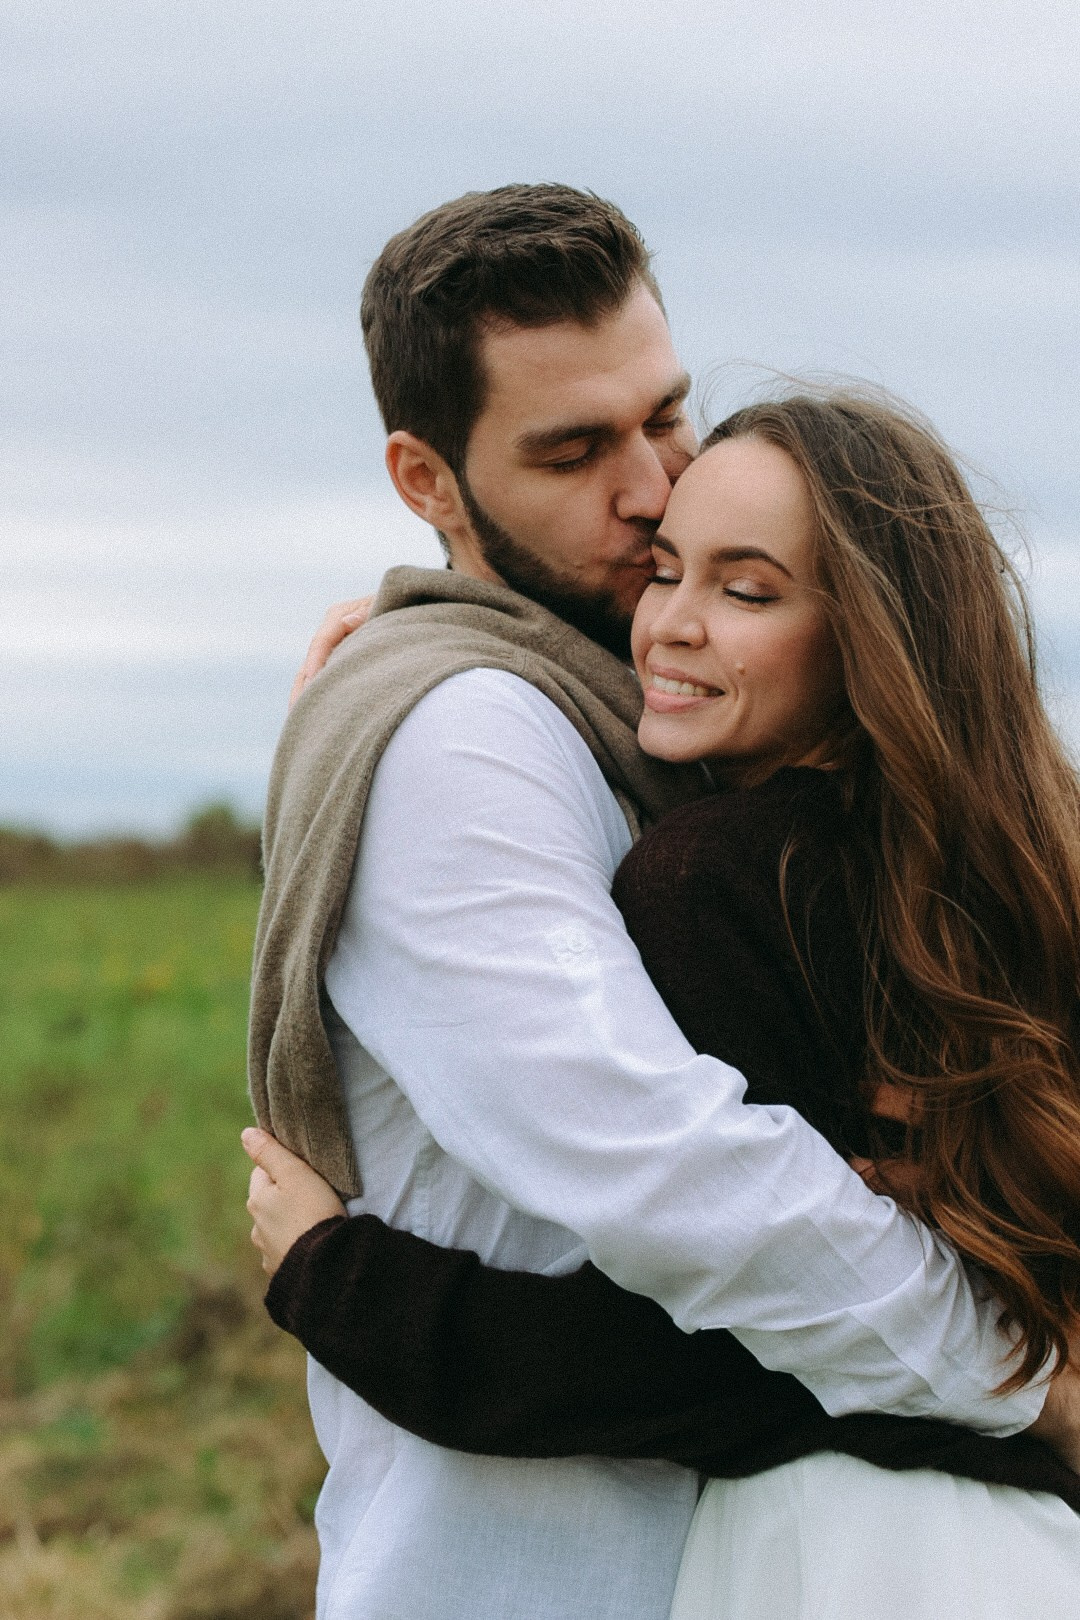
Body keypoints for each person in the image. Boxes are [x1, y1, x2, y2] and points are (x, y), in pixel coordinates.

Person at [246, 185, 1078, 1620]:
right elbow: (668, 1171)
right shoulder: (464, 731)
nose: (647, 490)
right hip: (541, 1571)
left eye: (665, 417)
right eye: (574, 451)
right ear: (427, 481)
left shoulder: (720, 785)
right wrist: (1031, 1379)